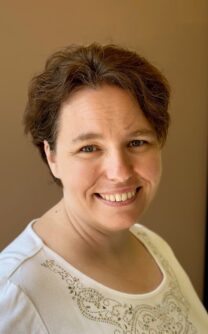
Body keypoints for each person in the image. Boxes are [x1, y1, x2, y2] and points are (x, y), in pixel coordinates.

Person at [0, 43, 207, 334]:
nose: (120, 172)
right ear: (52, 156)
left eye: (137, 142)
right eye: (89, 148)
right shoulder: (15, 292)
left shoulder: (155, 247)